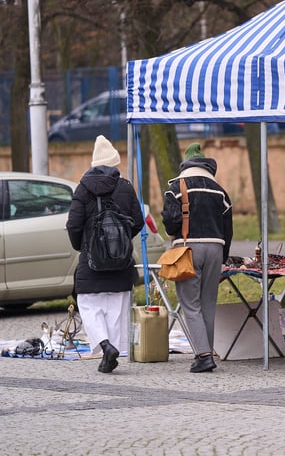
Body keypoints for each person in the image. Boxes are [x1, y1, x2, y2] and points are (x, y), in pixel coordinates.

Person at [66, 135, 144, 373]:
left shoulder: (83, 189)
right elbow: (138, 221)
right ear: (114, 162)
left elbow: (73, 224)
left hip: (92, 263)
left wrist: (85, 246)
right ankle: (111, 350)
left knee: (89, 305)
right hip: (121, 263)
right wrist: (119, 244)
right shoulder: (126, 187)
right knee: (116, 308)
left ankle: (104, 346)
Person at [162, 142, 233, 373]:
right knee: (208, 304)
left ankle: (203, 356)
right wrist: (224, 257)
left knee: (190, 305)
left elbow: (171, 222)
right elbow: (228, 228)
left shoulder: (176, 187)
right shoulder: (220, 190)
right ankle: (206, 351)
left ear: (185, 164)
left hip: (187, 249)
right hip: (216, 249)